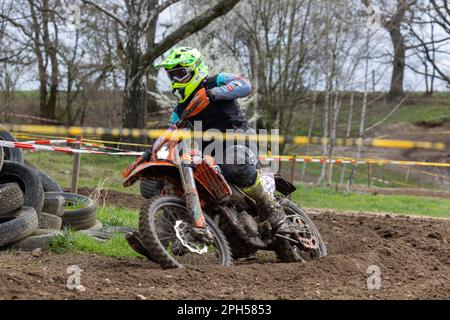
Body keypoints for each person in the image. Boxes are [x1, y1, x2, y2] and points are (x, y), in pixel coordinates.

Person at [151, 47, 297, 235]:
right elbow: (170, 132)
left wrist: (215, 94)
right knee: (173, 180)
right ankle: (161, 235)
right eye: (172, 76)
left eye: (180, 73)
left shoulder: (216, 81)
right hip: (211, 156)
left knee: (234, 163)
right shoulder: (180, 109)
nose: (176, 80)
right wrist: (152, 152)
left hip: (242, 143)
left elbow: (244, 85)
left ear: (195, 69)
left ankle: (271, 209)